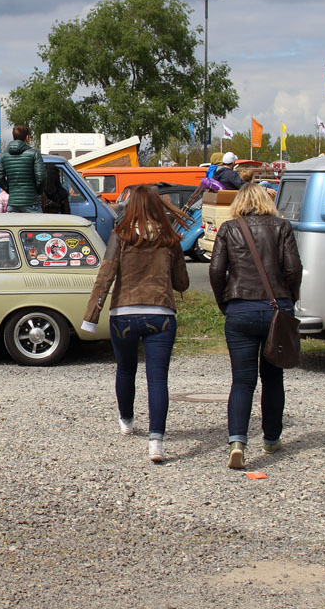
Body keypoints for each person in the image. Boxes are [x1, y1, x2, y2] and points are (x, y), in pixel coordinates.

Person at [82, 185, 190, 463]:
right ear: (158, 206)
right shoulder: (169, 238)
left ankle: (126, 421)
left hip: (124, 315)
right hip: (161, 314)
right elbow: (182, 283)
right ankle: (156, 442)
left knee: (126, 370)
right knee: (158, 378)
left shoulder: (121, 235)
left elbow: (105, 275)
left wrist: (91, 317)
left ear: (130, 207)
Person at [209, 182, 302, 469]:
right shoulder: (282, 227)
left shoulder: (229, 228)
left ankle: (237, 441)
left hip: (240, 307)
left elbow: (215, 269)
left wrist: (225, 301)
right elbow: (293, 268)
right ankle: (271, 439)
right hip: (276, 308)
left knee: (242, 381)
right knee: (273, 378)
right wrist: (289, 298)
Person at [0, 124, 46, 212]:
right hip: (31, 202)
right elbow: (41, 177)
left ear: (13, 137)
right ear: (27, 137)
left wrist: (11, 191)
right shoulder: (34, 153)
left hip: (12, 203)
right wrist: (36, 192)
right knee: (35, 225)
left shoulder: (4, 155)